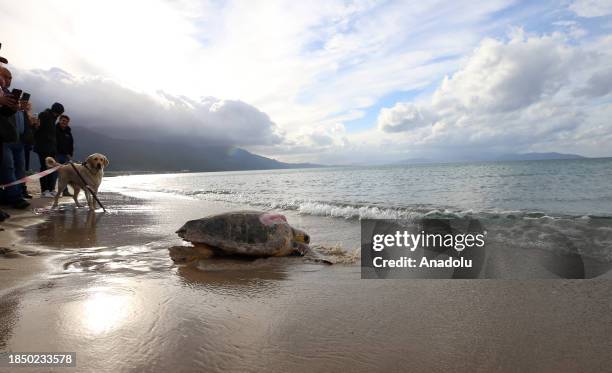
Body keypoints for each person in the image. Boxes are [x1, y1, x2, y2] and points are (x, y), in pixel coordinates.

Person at [0, 66, 29, 209]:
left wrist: (21, 109)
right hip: (5, 138)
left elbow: (11, 115)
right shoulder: (3, 96)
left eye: (10, 77)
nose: (8, 80)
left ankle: (14, 194)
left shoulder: (9, 95)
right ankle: (15, 197)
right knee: (8, 168)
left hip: (16, 137)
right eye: (5, 76)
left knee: (19, 169)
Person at [34, 102, 64, 197]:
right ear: (56, 111)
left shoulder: (52, 118)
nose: (59, 115)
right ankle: (44, 190)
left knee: (52, 169)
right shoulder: (44, 115)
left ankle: (51, 189)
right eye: (60, 113)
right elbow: (38, 129)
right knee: (44, 168)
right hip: (43, 147)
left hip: (51, 148)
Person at [55, 114, 74, 196]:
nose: (64, 122)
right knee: (55, 174)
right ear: (59, 120)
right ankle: (52, 190)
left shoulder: (68, 132)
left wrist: (70, 154)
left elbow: (71, 145)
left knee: (66, 175)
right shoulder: (55, 130)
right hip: (57, 155)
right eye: (63, 120)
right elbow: (55, 143)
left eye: (66, 121)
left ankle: (65, 191)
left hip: (66, 156)